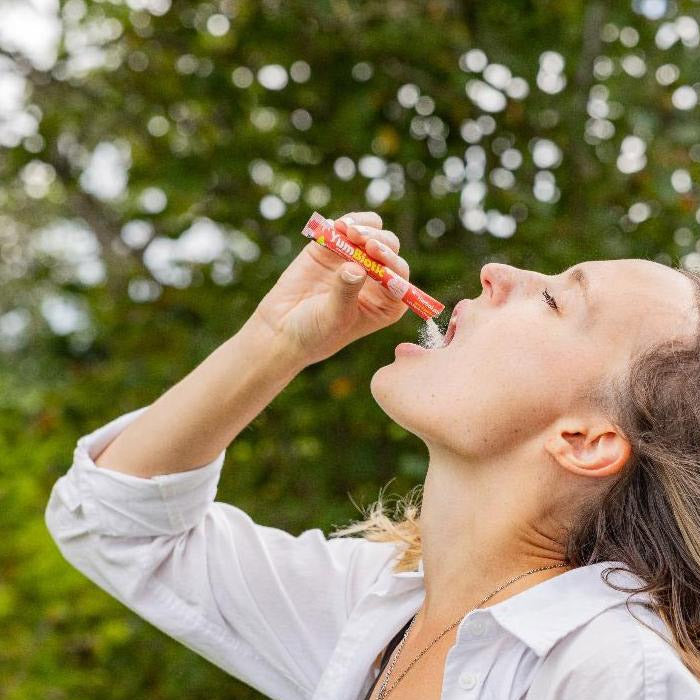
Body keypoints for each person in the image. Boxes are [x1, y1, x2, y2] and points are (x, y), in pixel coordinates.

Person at [45, 210, 700, 699]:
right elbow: (114, 522)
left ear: (586, 441)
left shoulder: (611, 674)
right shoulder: (373, 607)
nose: (497, 273)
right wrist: (277, 340)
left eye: (556, 299)